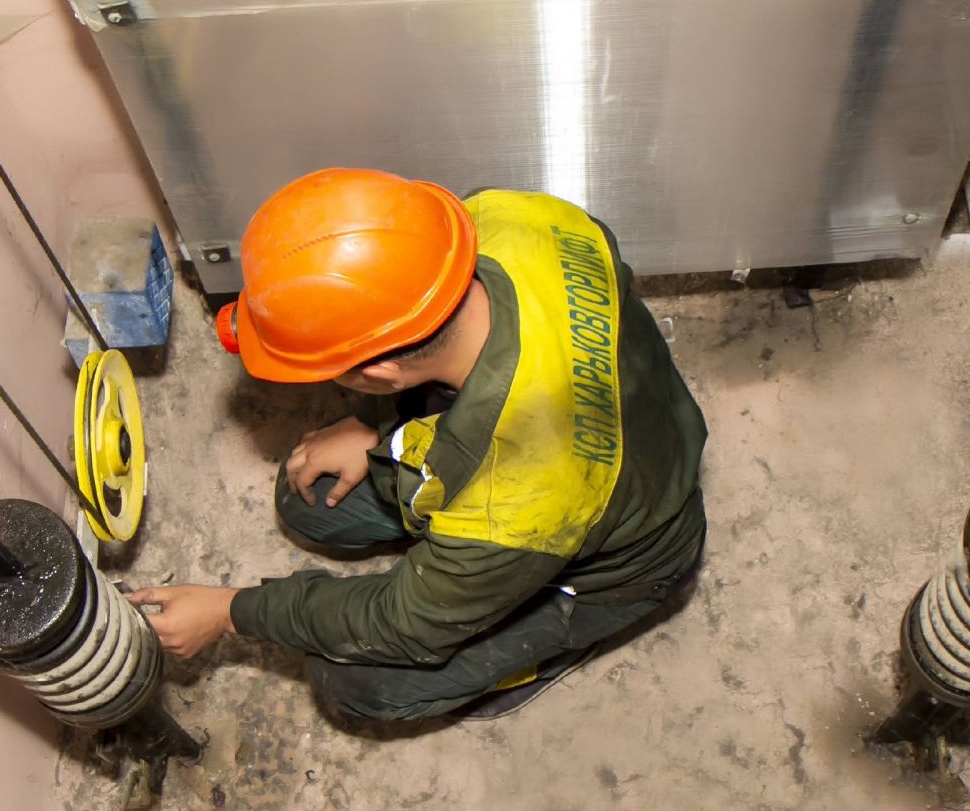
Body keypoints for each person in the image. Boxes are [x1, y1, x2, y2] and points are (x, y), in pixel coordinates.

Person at [127, 168, 707, 721]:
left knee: (354, 682)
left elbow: (403, 626)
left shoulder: (513, 499)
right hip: (618, 431)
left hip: (615, 570)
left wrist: (230, 612)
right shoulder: (513, 216)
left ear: (381, 372)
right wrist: (372, 425)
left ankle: (541, 651)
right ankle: (455, 552)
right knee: (306, 496)